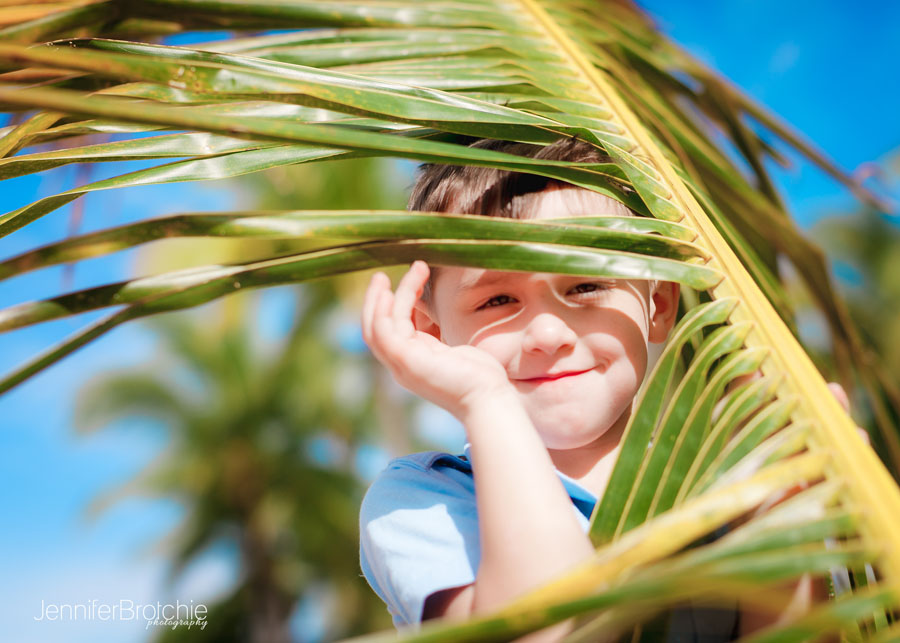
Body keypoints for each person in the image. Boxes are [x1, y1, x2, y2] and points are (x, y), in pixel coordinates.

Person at [357, 138, 807, 641]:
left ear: (658, 304)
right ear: (433, 332)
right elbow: (544, 630)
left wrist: (785, 508)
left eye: (586, 286)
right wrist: (488, 399)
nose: (548, 335)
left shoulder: (724, 482)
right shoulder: (423, 500)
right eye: (499, 298)